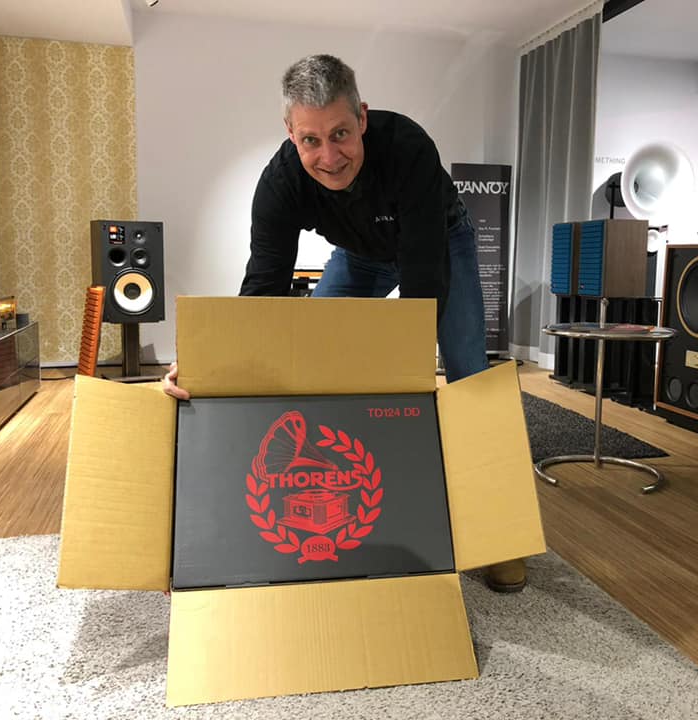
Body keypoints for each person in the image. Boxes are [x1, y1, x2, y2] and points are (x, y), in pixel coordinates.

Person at [163, 54, 526, 592]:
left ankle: (500, 534)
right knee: (316, 358)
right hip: (360, 257)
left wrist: (403, 375)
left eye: (340, 134)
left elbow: (424, 283)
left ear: (362, 117)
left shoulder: (409, 147)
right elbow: (262, 293)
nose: (329, 157)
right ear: (290, 133)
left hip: (438, 241)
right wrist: (209, 367)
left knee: (469, 374)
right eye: (310, 140)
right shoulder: (280, 184)